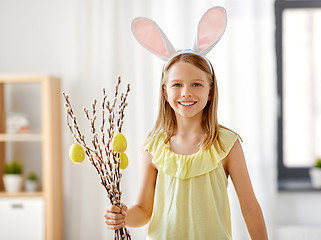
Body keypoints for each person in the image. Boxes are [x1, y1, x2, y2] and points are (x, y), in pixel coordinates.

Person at [104, 6, 268, 240]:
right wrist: (123, 216)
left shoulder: (227, 144)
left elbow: (249, 206)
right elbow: (143, 211)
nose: (186, 93)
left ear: (210, 92)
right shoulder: (154, 147)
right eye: (177, 84)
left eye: (197, 84)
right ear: (165, 92)